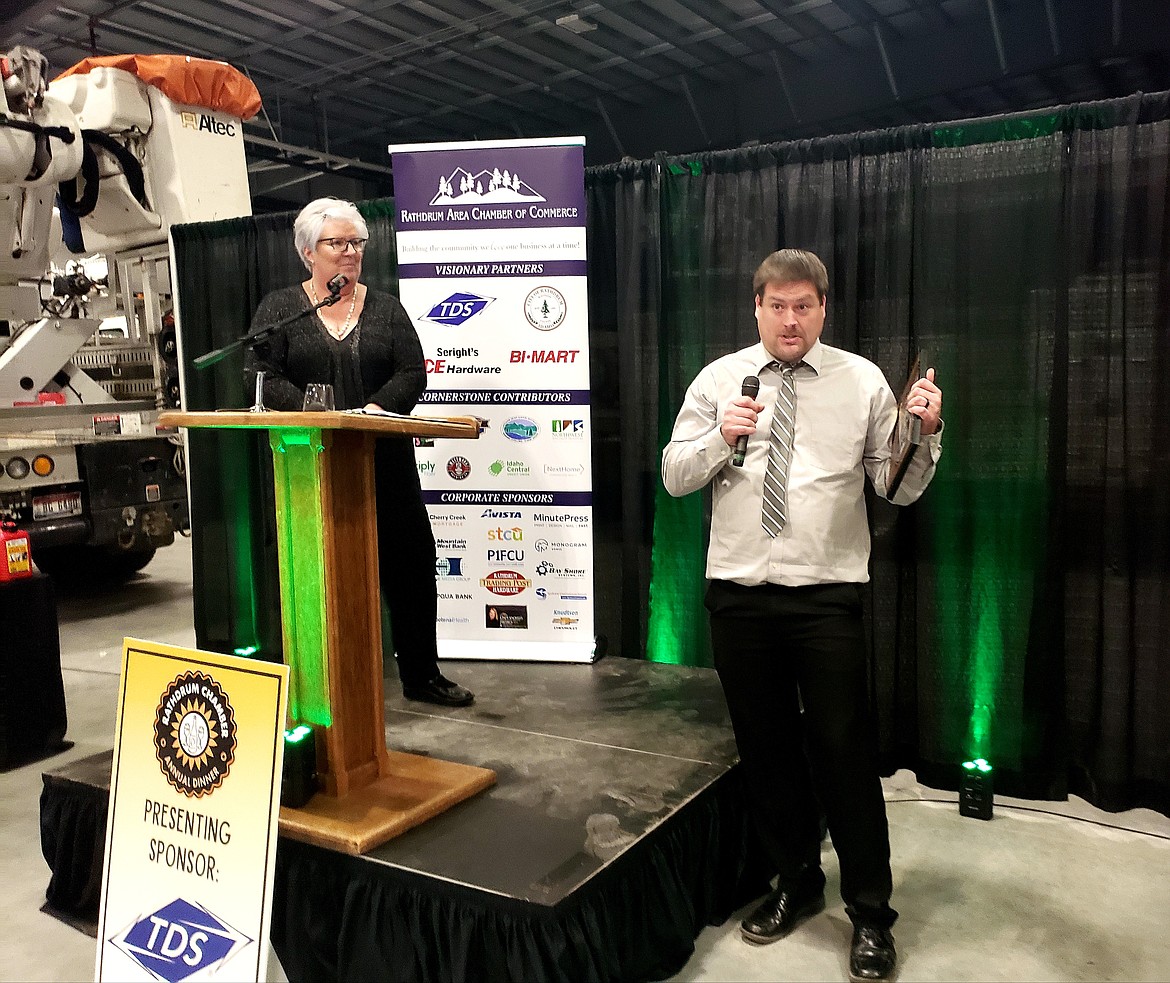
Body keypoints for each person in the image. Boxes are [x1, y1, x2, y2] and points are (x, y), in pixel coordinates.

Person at [661, 249, 943, 982]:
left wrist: (923, 434)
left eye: (805, 306)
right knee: (767, 752)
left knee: (844, 754)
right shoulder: (721, 379)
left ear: (824, 309)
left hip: (825, 596)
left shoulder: (861, 381)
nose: (791, 319)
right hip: (740, 594)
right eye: (778, 305)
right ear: (757, 307)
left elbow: (896, 488)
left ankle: (872, 914)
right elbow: (673, 474)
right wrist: (721, 436)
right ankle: (796, 880)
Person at [245, 197, 474, 708]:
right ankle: (322, 681)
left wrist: (372, 409)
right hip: (312, 466)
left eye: (357, 243)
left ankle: (421, 674)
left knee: (412, 566)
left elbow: (412, 370)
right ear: (309, 252)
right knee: (321, 572)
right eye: (337, 243)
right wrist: (314, 409)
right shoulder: (283, 309)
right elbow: (259, 375)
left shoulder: (386, 308)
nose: (349, 253)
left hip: (386, 463)